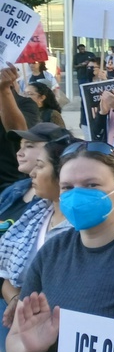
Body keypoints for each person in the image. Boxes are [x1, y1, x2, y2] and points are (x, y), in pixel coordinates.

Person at [7, 141, 114, 352]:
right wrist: (30, 349)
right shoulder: (52, 251)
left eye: (92, 185)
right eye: (67, 187)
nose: (77, 196)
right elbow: (16, 342)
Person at [0, 125, 73, 321]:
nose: (33, 173)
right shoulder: (37, 212)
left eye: (40, 166)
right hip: (19, 318)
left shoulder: (80, 226)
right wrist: (16, 300)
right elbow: (5, 270)